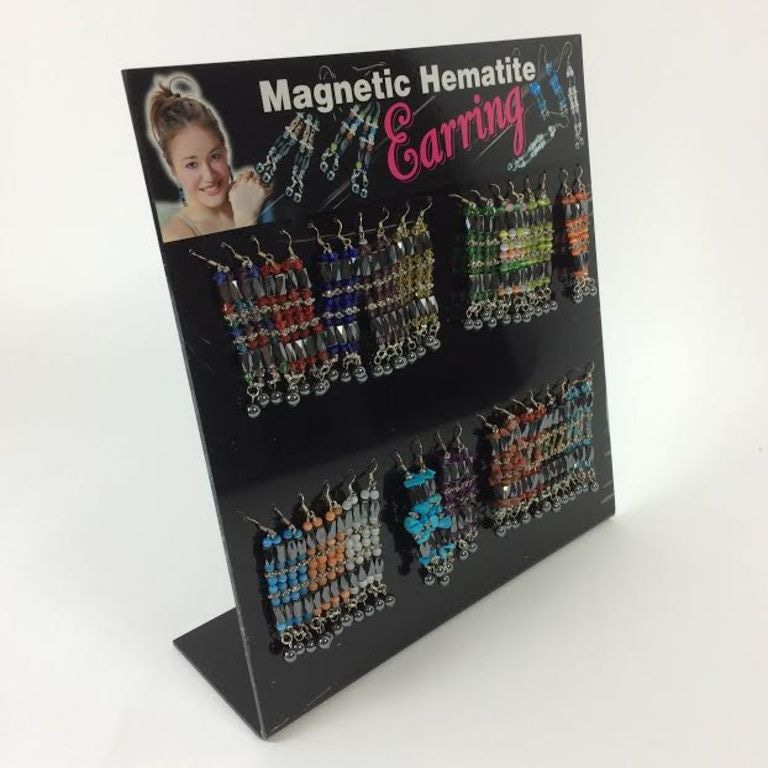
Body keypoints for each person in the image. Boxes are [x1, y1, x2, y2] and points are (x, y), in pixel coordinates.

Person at [147, 75, 271, 242]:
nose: (209, 176)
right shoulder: (176, 236)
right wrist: (245, 218)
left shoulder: (253, 195)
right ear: (173, 170)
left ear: (225, 150)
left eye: (214, 156)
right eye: (192, 164)